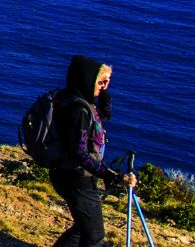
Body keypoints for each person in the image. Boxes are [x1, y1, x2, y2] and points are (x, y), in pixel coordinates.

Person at [49, 55, 136, 247]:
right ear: (87, 80)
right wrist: (110, 175)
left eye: (107, 82)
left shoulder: (74, 98)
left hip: (68, 174)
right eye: (101, 82)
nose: (104, 85)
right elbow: (78, 152)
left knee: (83, 228)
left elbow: (106, 114)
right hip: (76, 177)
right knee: (94, 235)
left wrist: (104, 91)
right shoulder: (78, 110)